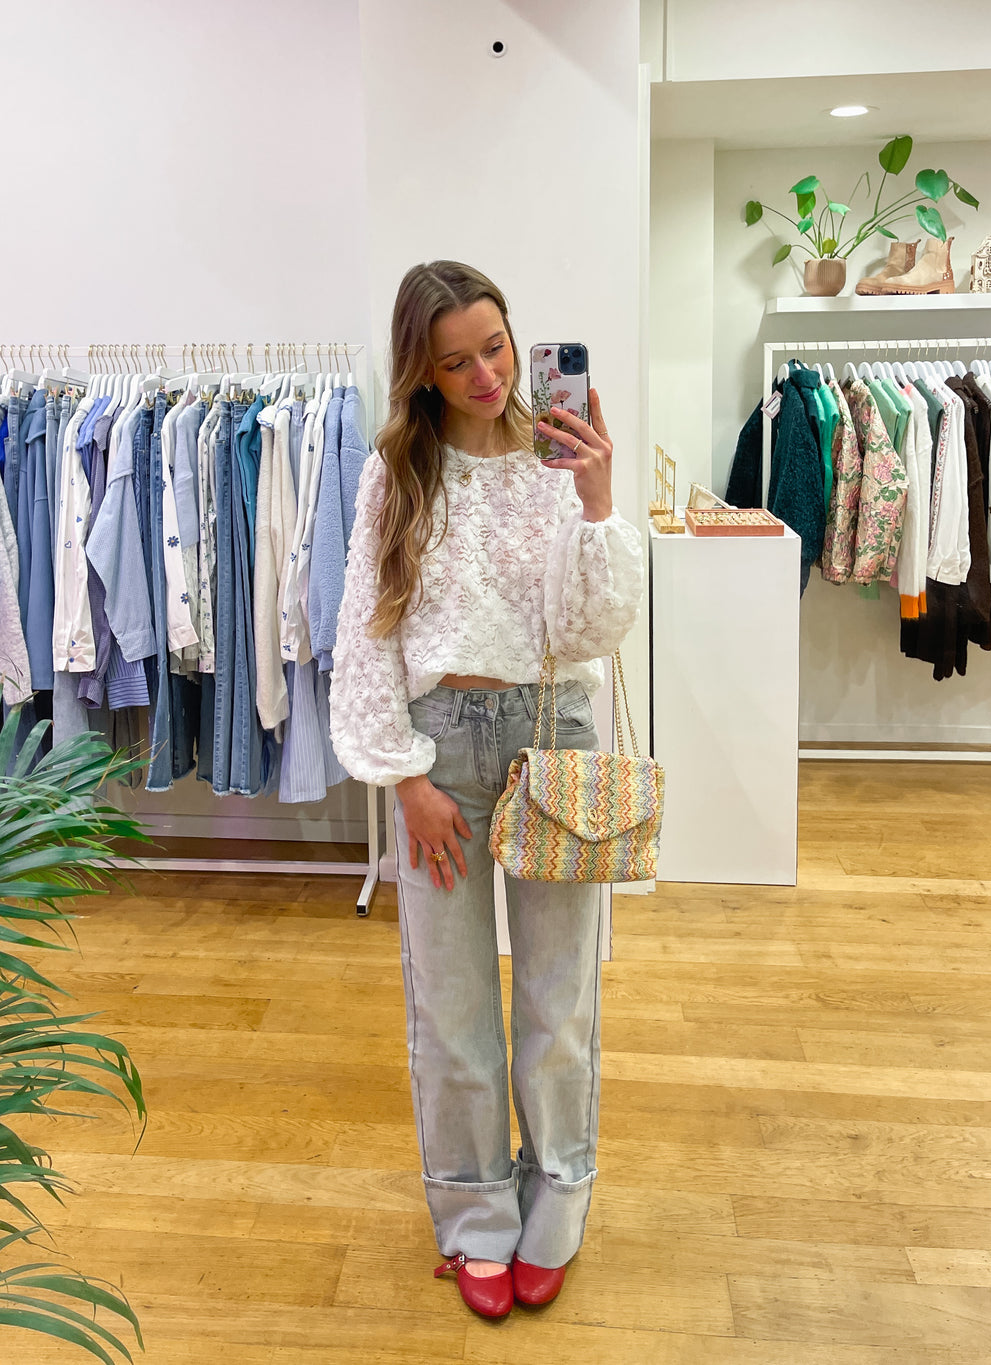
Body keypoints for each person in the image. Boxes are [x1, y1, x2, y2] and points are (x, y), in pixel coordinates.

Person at [330, 260, 643, 1318]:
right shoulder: (396, 470)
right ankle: (473, 1217)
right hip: (439, 756)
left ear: (517, 337)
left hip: (551, 735)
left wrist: (596, 503)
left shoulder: (558, 458)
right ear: (419, 368)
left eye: (495, 349)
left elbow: (593, 633)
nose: (482, 374)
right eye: (453, 360)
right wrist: (403, 775)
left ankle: (556, 1200)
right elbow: (366, 627)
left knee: (559, 1002)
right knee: (451, 1005)